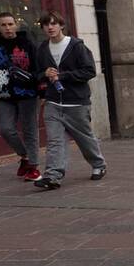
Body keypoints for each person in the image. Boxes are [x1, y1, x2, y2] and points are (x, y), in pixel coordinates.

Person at [33, 11, 107, 190]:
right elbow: (36, 74)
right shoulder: (43, 48)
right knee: (55, 140)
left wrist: (63, 76)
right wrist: (45, 74)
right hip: (53, 102)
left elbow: (89, 71)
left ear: (61, 25)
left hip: (76, 102)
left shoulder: (76, 46)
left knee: (84, 138)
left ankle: (98, 164)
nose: (50, 27)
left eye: (53, 23)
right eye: (46, 25)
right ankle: (53, 176)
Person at [0, 12, 40, 180]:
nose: (7, 28)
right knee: (5, 129)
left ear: (16, 25)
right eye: (3, 25)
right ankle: (25, 156)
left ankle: (34, 167)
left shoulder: (27, 44)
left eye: (10, 24)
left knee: (30, 131)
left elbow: (38, 67)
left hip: (27, 93)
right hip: (4, 94)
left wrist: (40, 89)